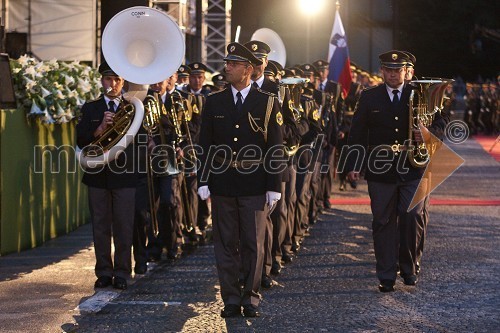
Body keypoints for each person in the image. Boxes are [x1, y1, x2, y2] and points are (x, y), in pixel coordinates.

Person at [345, 50, 448, 292]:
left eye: (397, 70)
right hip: (380, 168)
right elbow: (357, 133)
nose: (392, 74)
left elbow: (442, 124)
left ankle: (410, 267)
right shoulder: (370, 97)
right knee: (382, 221)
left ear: (406, 71)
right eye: (388, 70)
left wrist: (426, 133)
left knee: (411, 216)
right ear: (382, 71)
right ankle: (386, 274)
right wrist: (352, 165)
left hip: (414, 167)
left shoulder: (420, 94)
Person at [197, 42, 284, 317]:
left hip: (254, 182)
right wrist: (203, 179)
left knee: (253, 243)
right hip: (223, 182)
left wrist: (274, 186)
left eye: (233, 64)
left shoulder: (268, 103)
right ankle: (231, 299)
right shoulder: (214, 101)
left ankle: (251, 296)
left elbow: (275, 148)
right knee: (225, 243)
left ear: (248, 70)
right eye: (227, 63)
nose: (227, 67)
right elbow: (205, 145)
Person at [76, 61, 139, 290]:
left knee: (123, 225)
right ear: (101, 81)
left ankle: (122, 271)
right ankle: (103, 271)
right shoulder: (91, 108)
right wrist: (100, 128)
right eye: (108, 79)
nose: (112, 84)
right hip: (98, 175)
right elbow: (81, 141)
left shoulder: (133, 107)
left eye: (117, 80)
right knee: (100, 226)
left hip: (124, 175)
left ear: (123, 82)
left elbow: (138, 143)